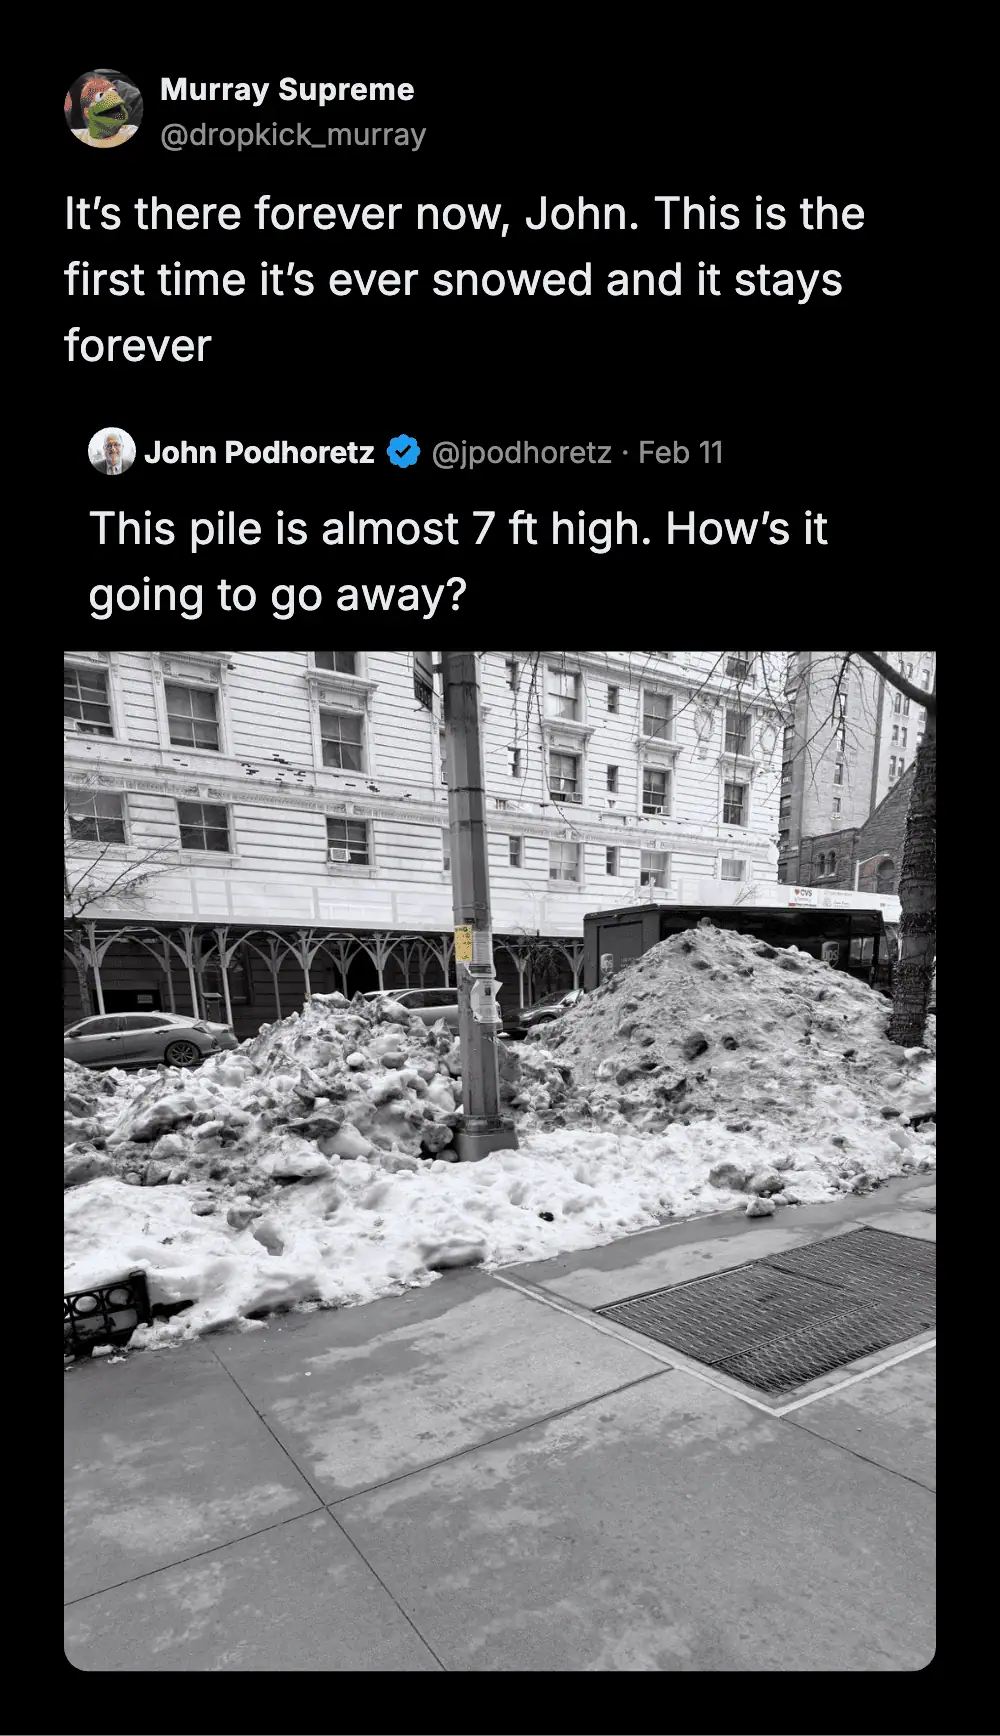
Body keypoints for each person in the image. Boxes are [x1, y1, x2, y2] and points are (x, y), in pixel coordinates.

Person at [67, 76, 139, 148]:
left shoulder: (130, 132)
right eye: (100, 95)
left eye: (114, 91)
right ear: (87, 112)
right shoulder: (79, 135)